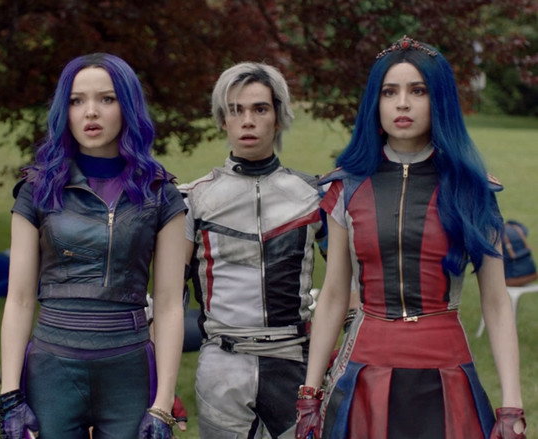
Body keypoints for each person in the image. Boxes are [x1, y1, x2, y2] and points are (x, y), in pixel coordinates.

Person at [295, 36, 526, 439]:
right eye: (390, 92)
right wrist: (310, 393)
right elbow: (333, 295)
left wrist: (512, 404)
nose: (402, 104)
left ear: (440, 100)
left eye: (418, 91)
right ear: (375, 102)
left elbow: (495, 301)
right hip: (365, 374)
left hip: (447, 374)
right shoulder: (346, 188)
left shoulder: (473, 190)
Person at [0, 53, 186, 439]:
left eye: (106, 99)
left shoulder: (160, 193)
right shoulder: (36, 189)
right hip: (52, 368)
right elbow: (20, 298)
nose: (90, 112)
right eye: (77, 101)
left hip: (128, 367)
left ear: (128, 106)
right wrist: (11, 395)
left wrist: (162, 405)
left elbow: (168, 305)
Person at [181, 62, 326, 438]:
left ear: (278, 117)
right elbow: (169, 300)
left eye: (260, 109)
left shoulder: (314, 196)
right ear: (222, 120)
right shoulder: (193, 200)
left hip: (294, 361)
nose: (247, 121)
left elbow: (354, 284)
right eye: (235, 110)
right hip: (223, 364)